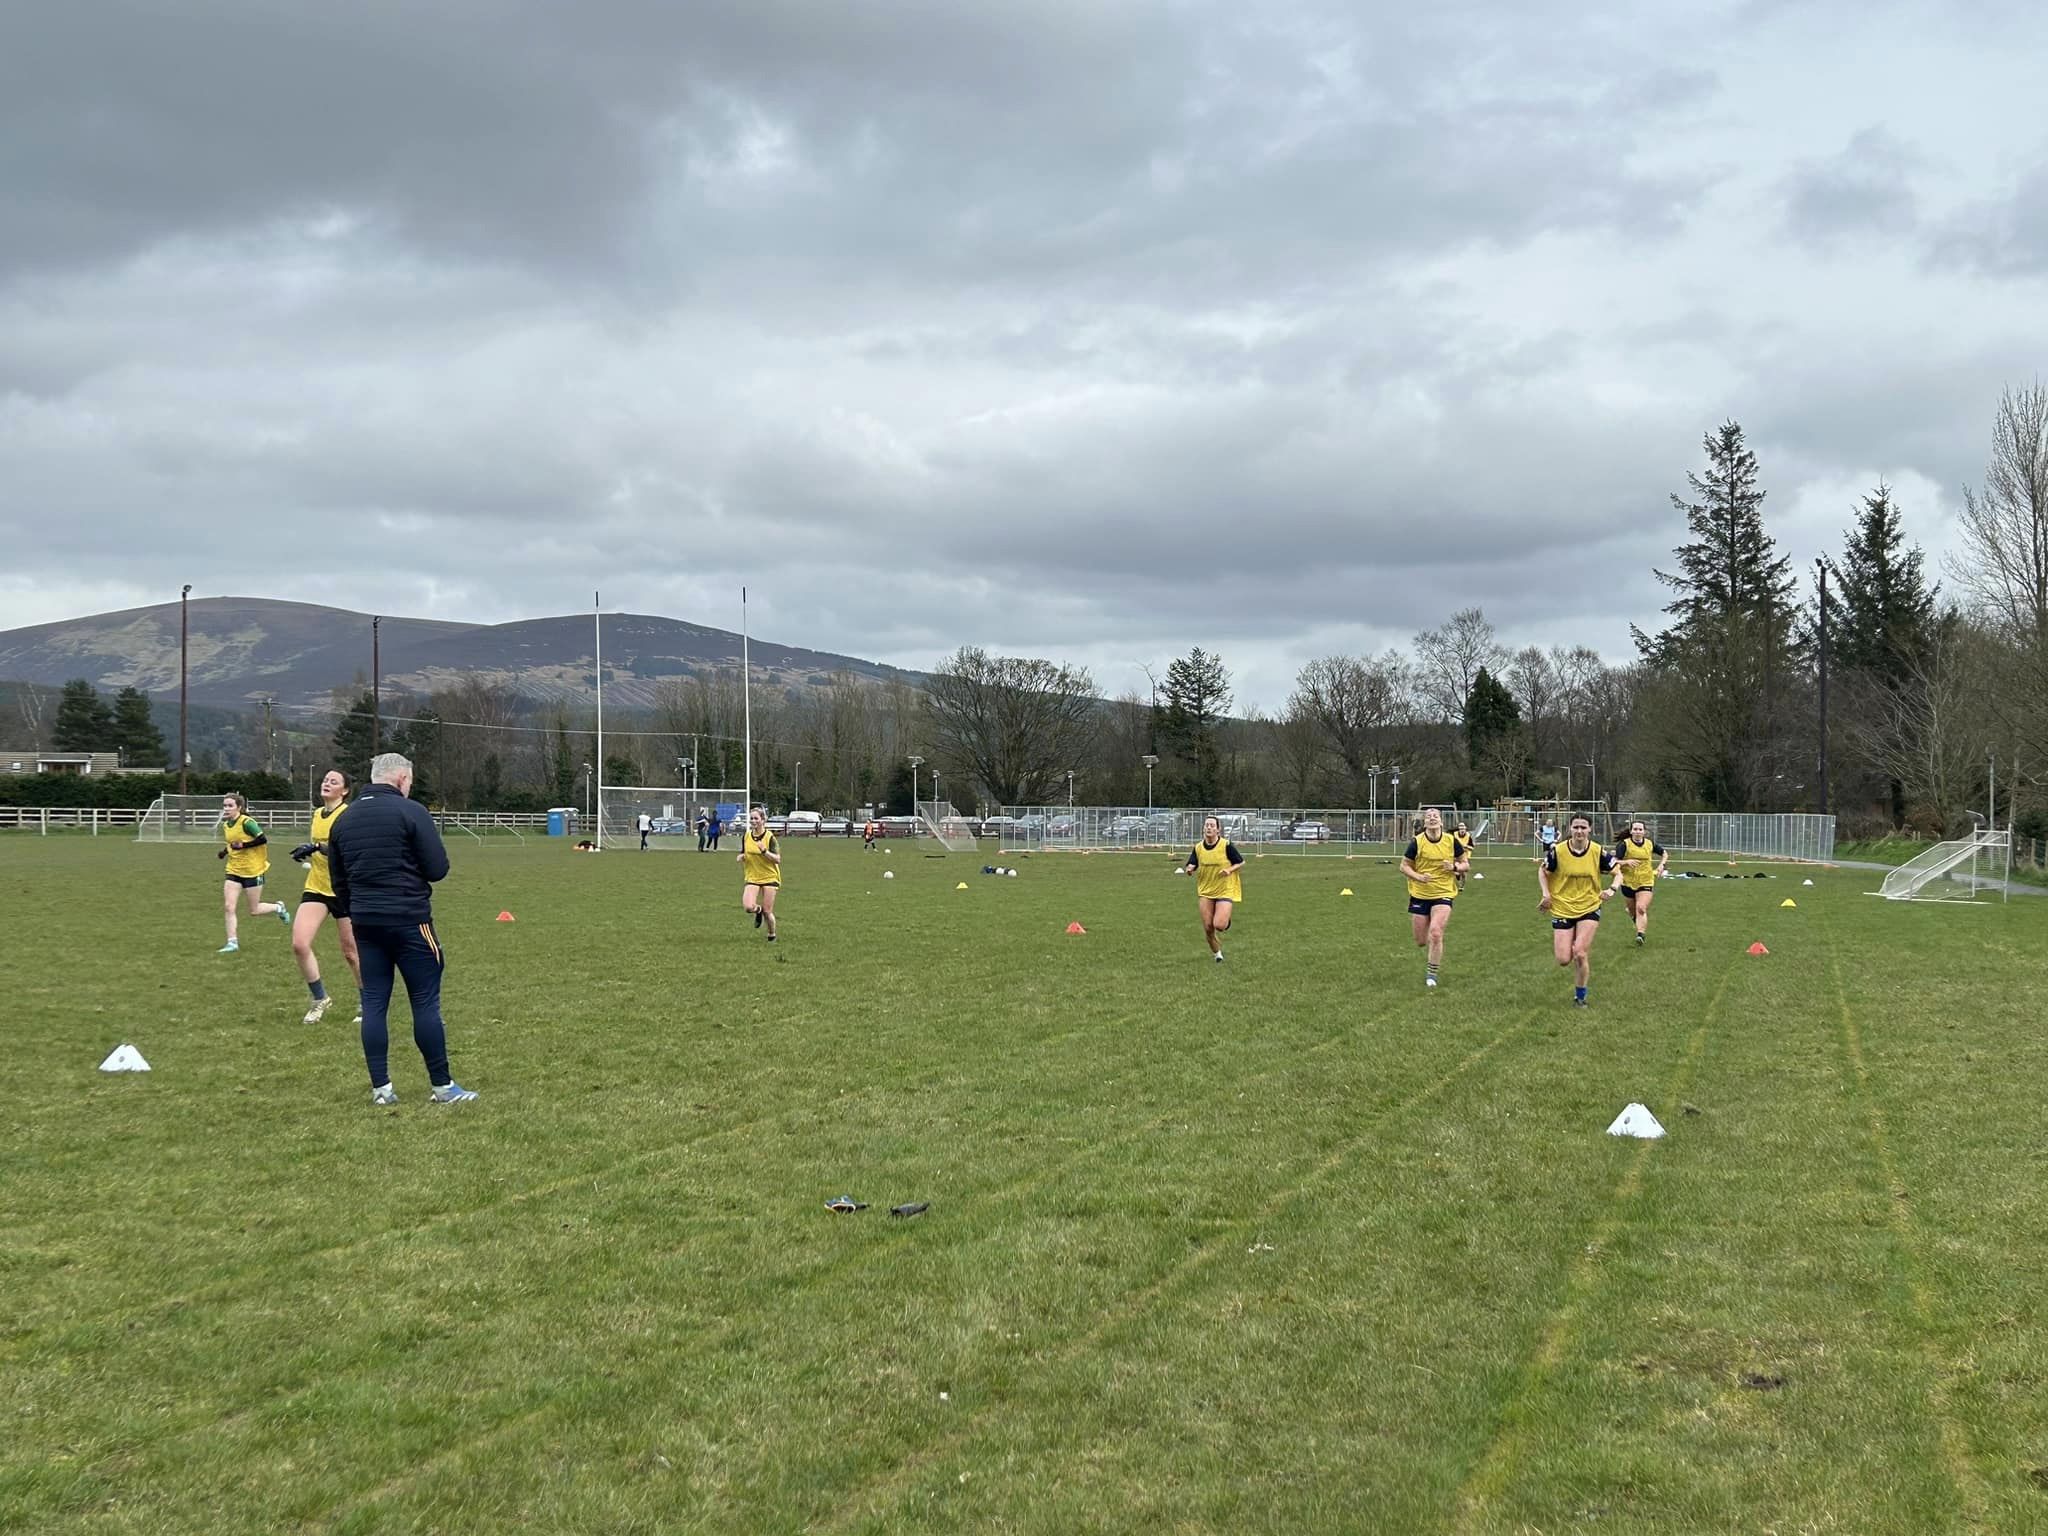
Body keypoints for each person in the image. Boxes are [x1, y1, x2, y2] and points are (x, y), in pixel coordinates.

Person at [327, 752, 476, 1105]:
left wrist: (359, 909)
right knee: (424, 1001)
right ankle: (442, 1087)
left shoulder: (343, 821)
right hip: (410, 919)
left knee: (374, 1002)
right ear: (401, 779)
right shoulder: (412, 812)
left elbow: (338, 881)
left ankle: (382, 1089)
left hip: (365, 922)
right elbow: (437, 868)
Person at [288, 769, 363, 1025]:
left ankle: (367, 1001)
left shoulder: (349, 815)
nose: (326, 783)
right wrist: (308, 851)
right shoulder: (317, 814)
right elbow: (320, 849)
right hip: (317, 887)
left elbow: (349, 851)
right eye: (325, 780)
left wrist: (318, 847)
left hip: (344, 890)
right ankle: (319, 998)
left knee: (351, 953)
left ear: (345, 791)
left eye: (334, 781)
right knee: (300, 944)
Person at [1537, 814, 1617, 1007]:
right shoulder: (1558, 851)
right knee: (1564, 959)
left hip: (1589, 906)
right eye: (1576, 827)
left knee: (1580, 953)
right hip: (1562, 907)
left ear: (1590, 829)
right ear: (1570, 829)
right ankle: (1572, 941)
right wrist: (1546, 894)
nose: (1579, 831)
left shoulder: (1597, 851)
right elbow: (1542, 871)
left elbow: (1618, 872)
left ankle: (1580, 997)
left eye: (1583, 827)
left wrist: (1612, 889)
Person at [216, 790, 290, 953]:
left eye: (230, 805)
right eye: (225, 806)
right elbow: (233, 843)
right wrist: (224, 852)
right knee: (229, 906)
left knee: (254, 910)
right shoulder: (226, 825)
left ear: (239, 807)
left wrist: (244, 845)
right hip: (234, 869)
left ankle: (278, 908)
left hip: (253, 870)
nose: (226, 809)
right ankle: (232, 943)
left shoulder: (247, 822)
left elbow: (262, 839)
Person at [1402, 806, 1467, 988]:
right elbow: (1404, 866)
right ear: (1425, 823)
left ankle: (1431, 975)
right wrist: (1418, 877)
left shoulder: (1451, 841)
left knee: (1436, 932)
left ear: (1441, 821)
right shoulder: (1417, 842)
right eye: (1428, 816)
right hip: (1420, 893)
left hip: (1443, 892)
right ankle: (1428, 934)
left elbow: (1465, 864)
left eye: (1435, 816)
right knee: (1421, 941)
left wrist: (1454, 867)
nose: (1432, 818)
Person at [1183, 814, 1244, 962]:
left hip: (1224, 888)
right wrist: (1189, 869)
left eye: (1212, 825)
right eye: (1206, 825)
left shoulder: (1226, 845)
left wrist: (1229, 870)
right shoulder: (1198, 847)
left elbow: (1240, 862)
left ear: (1218, 830)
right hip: (1206, 891)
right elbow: (1192, 864)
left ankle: (1225, 921)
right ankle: (1217, 955)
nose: (1209, 828)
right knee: (1208, 928)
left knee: (1219, 925)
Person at [1614, 819, 1670, 945]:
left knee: (1641, 908)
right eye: (1635, 829)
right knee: (1633, 911)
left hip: (1646, 880)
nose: (1638, 832)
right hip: (1627, 882)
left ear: (1644, 832)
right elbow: (1614, 861)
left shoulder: (1649, 843)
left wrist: (1661, 865)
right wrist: (1626, 862)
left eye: (1640, 829)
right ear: (1631, 831)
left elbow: (1664, 853)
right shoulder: (1624, 845)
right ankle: (1634, 916)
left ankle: (1640, 935)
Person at [738, 805, 781, 940]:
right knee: (748, 907)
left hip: (769, 877)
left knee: (768, 912)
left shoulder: (770, 837)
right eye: (751, 818)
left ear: (763, 820)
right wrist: (742, 856)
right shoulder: (746, 836)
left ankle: (771, 935)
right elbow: (744, 852)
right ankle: (758, 911)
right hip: (752, 876)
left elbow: (777, 859)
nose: (753, 821)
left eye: (756, 818)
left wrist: (765, 852)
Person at [1452, 818, 1475, 892]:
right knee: (1456, 870)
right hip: (1456, 856)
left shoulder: (1468, 836)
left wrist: (1466, 847)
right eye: (1460, 827)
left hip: (1465, 856)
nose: (1462, 829)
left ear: (1465, 828)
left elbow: (1472, 848)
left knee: (1464, 874)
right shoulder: (1454, 834)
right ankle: (1458, 884)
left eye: (1463, 827)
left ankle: (1462, 886)